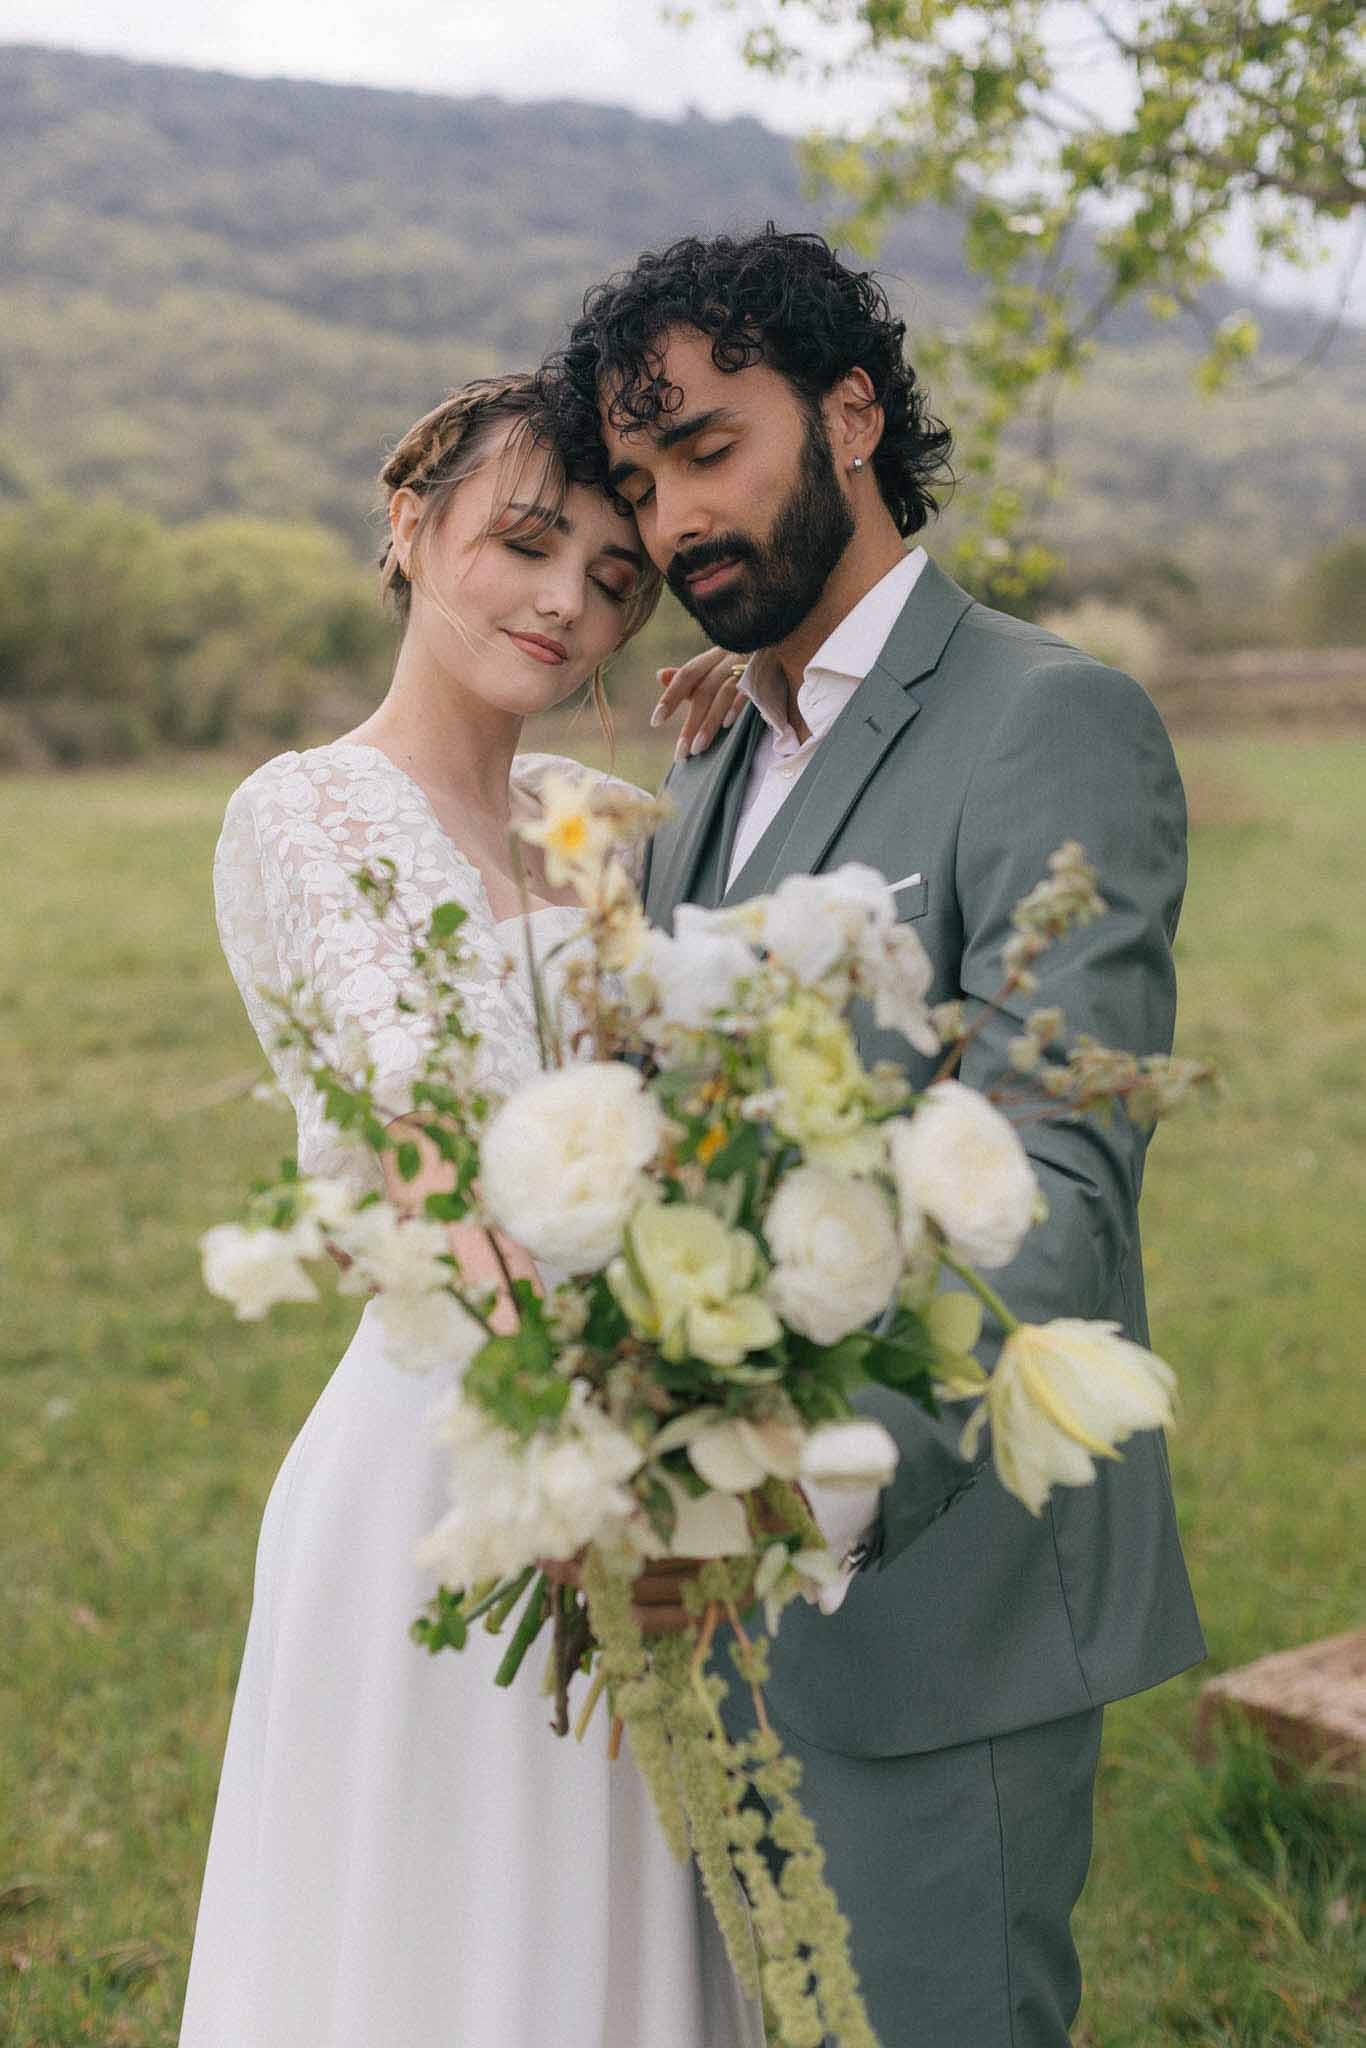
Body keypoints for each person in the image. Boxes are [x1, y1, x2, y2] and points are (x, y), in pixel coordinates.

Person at [540, 226, 1207, 2048]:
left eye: (706, 447)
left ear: (847, 411)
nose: (673, 521)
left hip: (931, 1599)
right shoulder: (706, 763)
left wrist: (805, 1479)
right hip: (700, 1615)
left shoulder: (1048, 724)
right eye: (636, 478)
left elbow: (1054, 1172)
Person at [180, 374, 763, 2048]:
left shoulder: (599, 834)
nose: (566, 602)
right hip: (462, 1449)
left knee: (606, 1930)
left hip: (629, 1436)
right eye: (524, 544)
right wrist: (584, 1456)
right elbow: (439, 1151)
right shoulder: (313, 809)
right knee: (445, 1946)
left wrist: (758, 720)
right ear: (411, 522)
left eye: (611, 576)